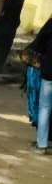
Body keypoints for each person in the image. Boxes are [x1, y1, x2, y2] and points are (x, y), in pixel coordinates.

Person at [33, 18, 52, 153]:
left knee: (45, 107)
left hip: (50, 71)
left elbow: (38, 45)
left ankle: (42, 145)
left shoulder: (51, 23)